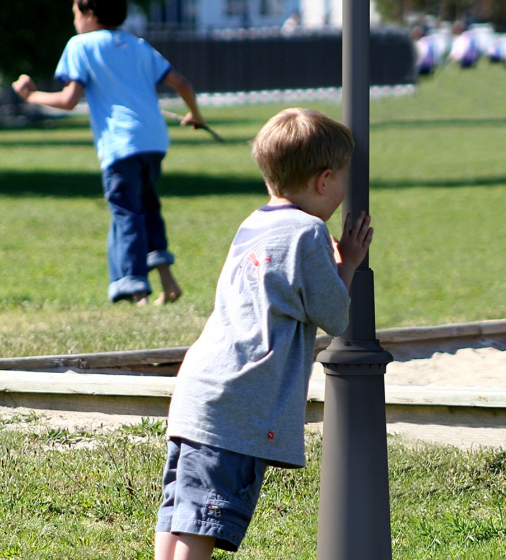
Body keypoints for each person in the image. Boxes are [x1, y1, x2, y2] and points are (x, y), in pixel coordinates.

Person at [155, 108, 374, 559]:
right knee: (204, 519)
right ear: (324, 180)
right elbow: (334, 315)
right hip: (241, 399)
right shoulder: (308, 232)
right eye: (343, 181)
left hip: (201, 387)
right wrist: (348, 263)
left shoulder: (254, 222)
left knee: (179, 512)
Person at [12, 0, 205, 305]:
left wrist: (32, 96)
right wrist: (195, 114)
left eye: (75, 14)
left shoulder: (80, 45)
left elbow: (69, 100)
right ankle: (167, 282)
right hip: (153, 141)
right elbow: (180, 82)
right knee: (148, 208)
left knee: (127, 214)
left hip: (120, 144)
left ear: (90, 14)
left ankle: (136, 290)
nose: (74, 21)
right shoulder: (138, 45)